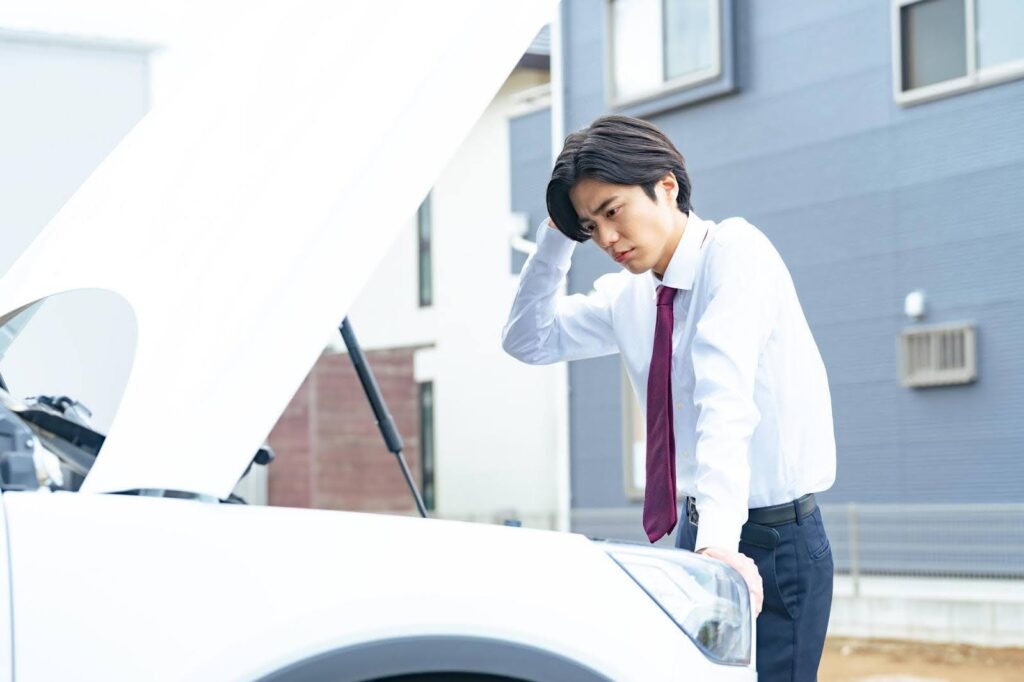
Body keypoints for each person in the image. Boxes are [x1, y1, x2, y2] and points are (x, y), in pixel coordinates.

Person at [502, 115, 836, 680]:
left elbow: (723, 401)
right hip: (697, 533)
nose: (605, 238)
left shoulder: (736, 252)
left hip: (775, 543)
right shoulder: (630, 297)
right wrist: (557, 236)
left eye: (612, 211)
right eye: (590, 224)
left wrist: (719, 552)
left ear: (666, 186)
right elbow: (526, 340)